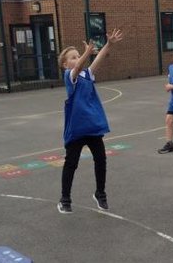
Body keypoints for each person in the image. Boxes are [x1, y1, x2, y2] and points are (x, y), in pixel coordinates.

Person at [57, 28, 124, 214]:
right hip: (77, 128)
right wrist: (86, 53)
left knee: (101, 159)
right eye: (72, 57)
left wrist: (109, 44)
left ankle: (100, 193)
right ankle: (65, 199)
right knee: (71, 163)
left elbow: (97, 61)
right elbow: (78, 68)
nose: (76, 58)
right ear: (64, 64)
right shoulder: (70, 77)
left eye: (78, 55)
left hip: (92, 126)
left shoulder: (87, 74)